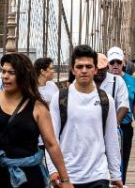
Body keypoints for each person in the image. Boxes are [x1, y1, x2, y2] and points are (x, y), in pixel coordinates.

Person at [0, 52, 71, 188]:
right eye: (3, 71)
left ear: (23, 76)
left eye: (11, 73)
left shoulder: (38, 107)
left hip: (29, 178)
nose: (5, 76)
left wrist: (65, 179)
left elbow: (51, 144)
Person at [48, 45, 123, 188]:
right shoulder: (59, 99)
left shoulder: (106, 100)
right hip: (67, 176)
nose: (84, 70)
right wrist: (53, 170)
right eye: (79, 66)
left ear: (95, 69)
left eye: (89, 66)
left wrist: (115, 174)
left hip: (98, 175)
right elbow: (51, 139)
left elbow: (111, 139)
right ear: (72, 69)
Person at [103, 47, 135, 183]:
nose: (115, 65)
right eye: (112, 62)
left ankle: (121, 183)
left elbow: (133, 105)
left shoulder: (129, 80)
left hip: (124, 128)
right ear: (107, 64)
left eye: (118, 62)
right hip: (101, 130)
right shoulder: (98, 80)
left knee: (121, 162)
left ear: (123, 63)